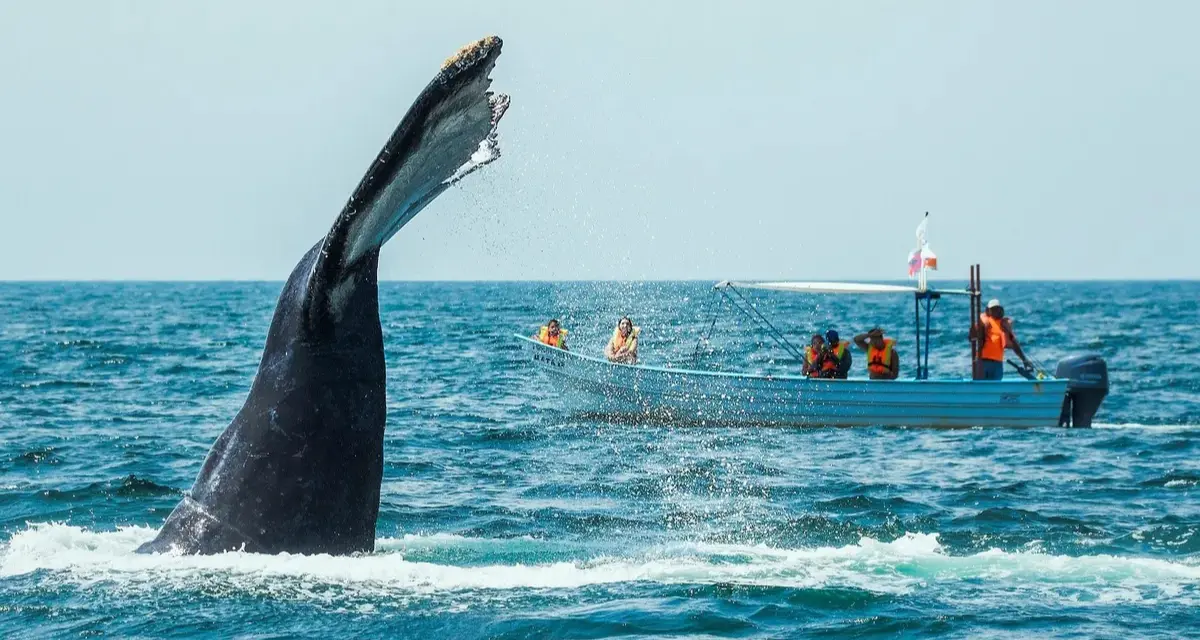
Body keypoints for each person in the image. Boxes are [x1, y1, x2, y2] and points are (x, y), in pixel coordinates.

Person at [969, 299, 1030, 380]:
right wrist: (976, 328)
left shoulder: (1004, 324)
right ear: (988, 310)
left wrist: (1024, 360)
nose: (996, 311)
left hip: (997, 364)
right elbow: (971, 337)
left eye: (998, 308)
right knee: (981, 387)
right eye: (993, 309)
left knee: (995, 389)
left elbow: (1014, 343)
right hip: (982, 362)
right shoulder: (984, 322)